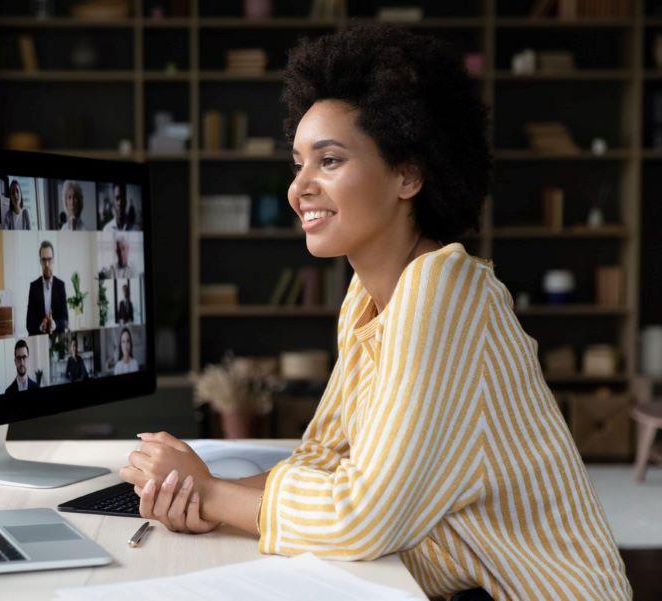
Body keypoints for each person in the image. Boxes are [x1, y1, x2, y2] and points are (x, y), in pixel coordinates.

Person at [117, 24, 632, 601]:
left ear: (408, 175)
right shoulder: (368, 299)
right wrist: (201, 492)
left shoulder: (446, 292)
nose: (298, 189)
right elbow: (323, 460)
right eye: (297, 164)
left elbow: (363, 518)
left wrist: (213, 496)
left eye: (329, 161)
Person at [26, 240, 69, 335]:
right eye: (44, 260)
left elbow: (65, 321)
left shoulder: (61, 286)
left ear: (53, 260)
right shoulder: (33, 287)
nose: (47, 264)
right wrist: (41, 326)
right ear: (40, 261)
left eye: (49, 259)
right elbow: (29, 324)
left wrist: (55, 324)